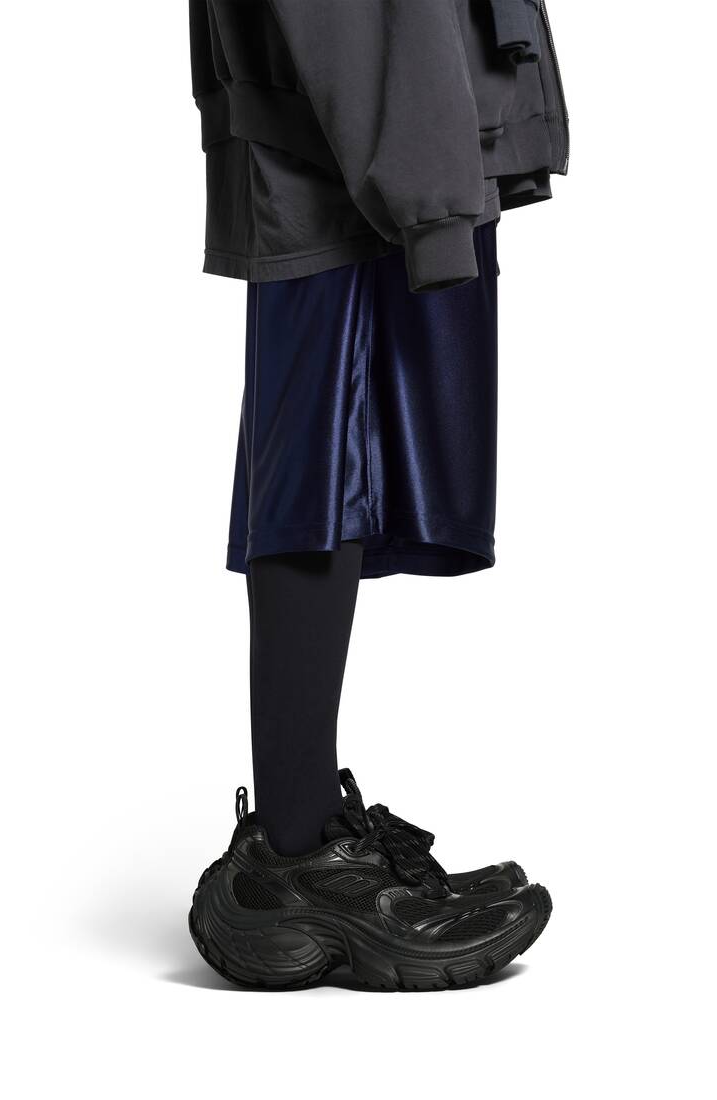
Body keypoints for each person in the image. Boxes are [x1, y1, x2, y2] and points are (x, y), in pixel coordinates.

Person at [186, 0, 569, 990]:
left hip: (371, 127)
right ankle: (295, 851)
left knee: (332, 452)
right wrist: (430, 186)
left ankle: (304, 825)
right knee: (317, 460)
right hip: (348, 138)